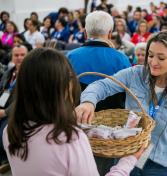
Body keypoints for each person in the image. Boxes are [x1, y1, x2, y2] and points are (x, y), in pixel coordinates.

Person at [2, 48, 144, 176]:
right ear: (62, 86)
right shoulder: (70, 138)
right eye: (70, 77)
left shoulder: (10, 131)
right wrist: (128, 161)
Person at [76, 31, 167, 176]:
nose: (153, 62)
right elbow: (102, 86)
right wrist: (88, 102)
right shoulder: (134, 75)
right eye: (150, 56)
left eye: (161, 58)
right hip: (126, 159)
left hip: (160, 166)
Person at [67, 11, 131, 175]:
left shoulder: (70, 57)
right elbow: (127, 96)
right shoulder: (121, 58)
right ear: (110, 33)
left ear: (86, 32)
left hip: (77, 125)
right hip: (109, 132)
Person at [0, 44, 28, 174]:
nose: (19, 58)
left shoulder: (31, 75)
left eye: (22, 55)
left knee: (4, 128)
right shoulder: (8, 73)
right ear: (12, 57)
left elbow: (25, 100)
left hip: (19, 111)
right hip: (2, 108)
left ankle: (6, 159)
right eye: (16, 55)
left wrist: (5, 112)